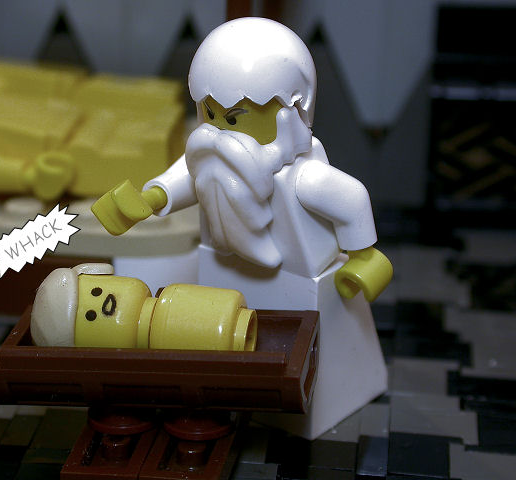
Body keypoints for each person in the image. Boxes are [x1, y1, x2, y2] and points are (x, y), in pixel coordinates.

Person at [92, 17, 392, 439]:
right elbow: (186, 177)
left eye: (235, 119)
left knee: (306, 378)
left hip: (304, 291)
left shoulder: (305, 178)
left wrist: (364, 256)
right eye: (210, 114)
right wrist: (151, 200)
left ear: (291, 112)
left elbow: (352, 199)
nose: (217, 133)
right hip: (223, 278)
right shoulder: (212, 162)